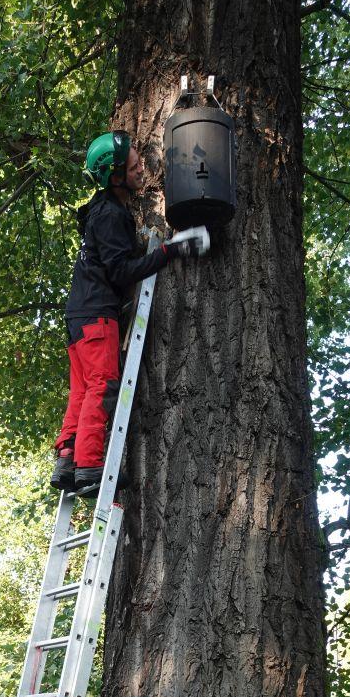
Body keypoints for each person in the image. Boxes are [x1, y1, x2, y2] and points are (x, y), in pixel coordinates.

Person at [51, 130, 209, 497]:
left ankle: (69, 459)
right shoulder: (108, 215)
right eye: (134, 166)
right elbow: (120, 271)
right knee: (103, 385)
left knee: (82, 390)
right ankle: (89, 467)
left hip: (80, 315)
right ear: (115, 176)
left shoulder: (103, 211)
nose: (142, 169)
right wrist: (170, 252)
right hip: (95, 316)